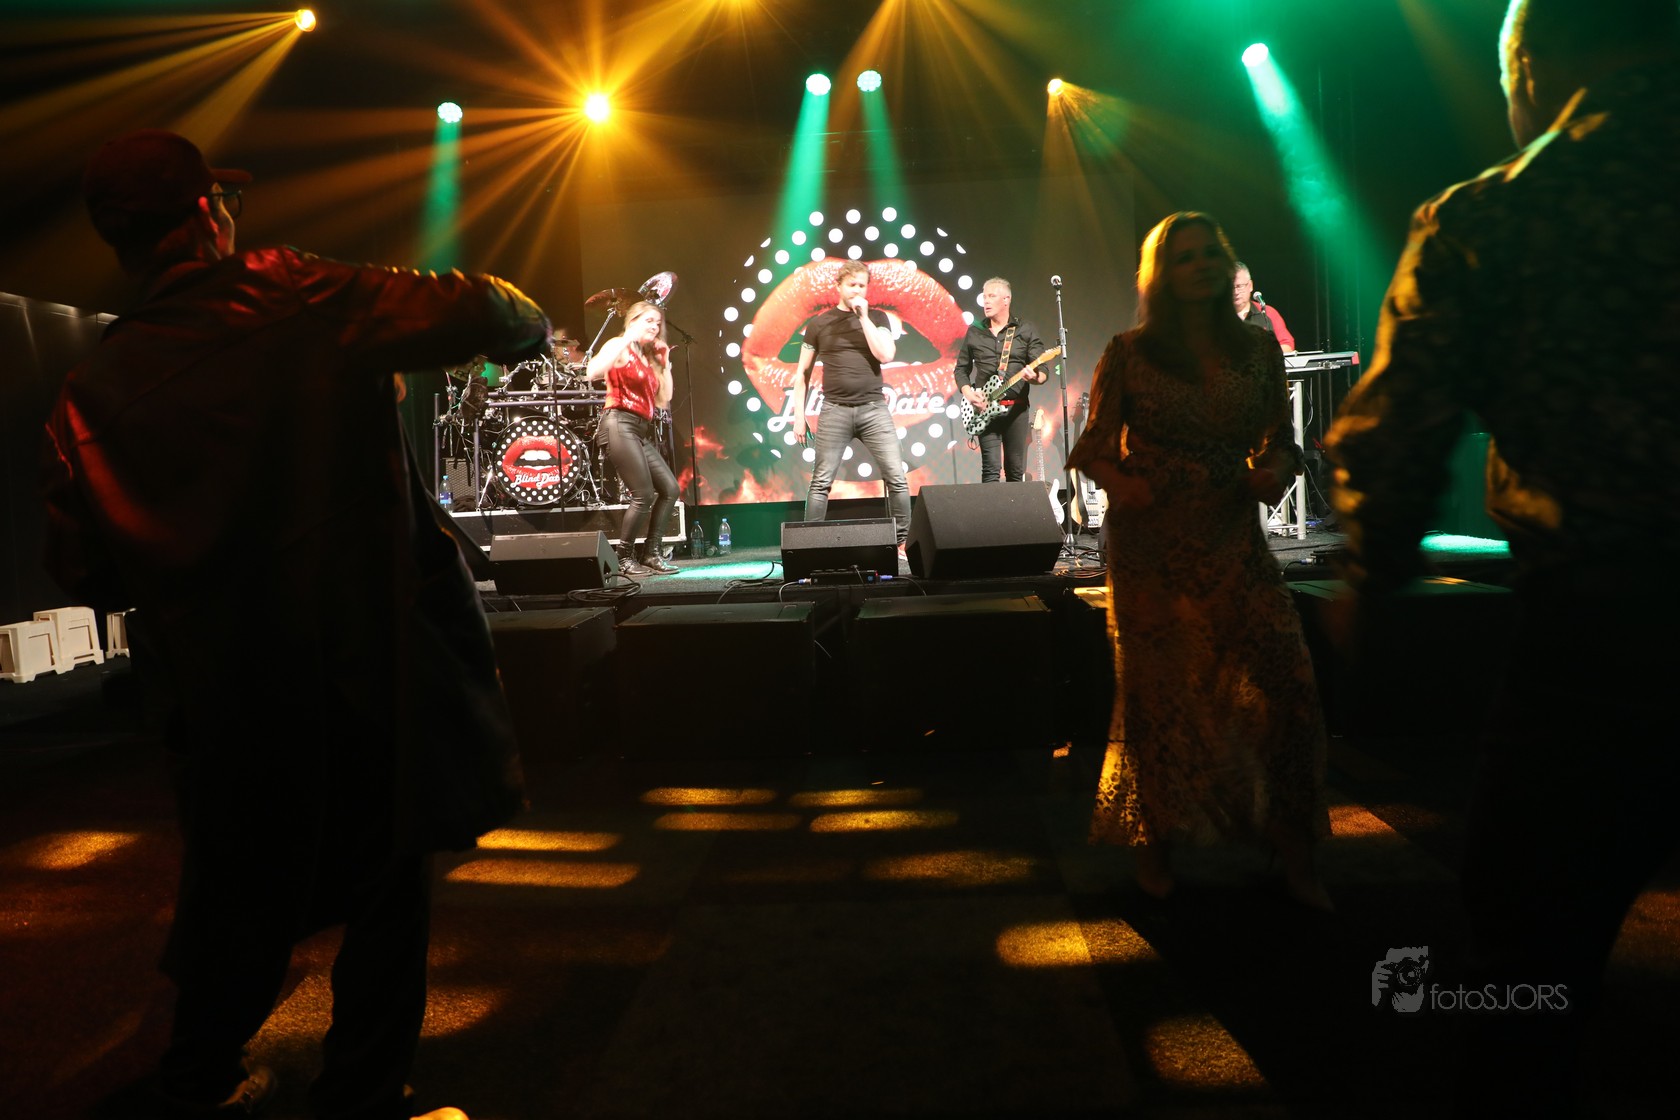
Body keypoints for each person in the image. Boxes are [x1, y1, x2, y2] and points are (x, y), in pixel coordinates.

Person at [40, 129, 551, 1120]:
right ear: (206, 214)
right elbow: (491, 306)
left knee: (237, 889)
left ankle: (197, 1082)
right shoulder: (292, 293)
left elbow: (83, 569)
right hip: (357, 660)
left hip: (219, 693)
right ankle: (362, 1097)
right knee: (387, 877)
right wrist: (526, 331)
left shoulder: (87, 393)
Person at [1324, 1, 1680, 1113]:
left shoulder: (1499, 214)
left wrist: (1370, 586)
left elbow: (1394, 436)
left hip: (1605, 640)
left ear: (1528, 67)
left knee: (1528, 956)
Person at [1067, 211, 1331, 910]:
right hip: (1152, 546)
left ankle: (1296, 854)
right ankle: (1156, 845)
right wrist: (1124, 486)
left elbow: (1282, 442)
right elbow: (1093, 448)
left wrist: (1275, 471)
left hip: (1231, 535)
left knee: (1286, 683)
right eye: (1184, 257)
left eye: (1210, 253)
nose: (1201, 265)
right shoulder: (1130, 351)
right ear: (1161, 274)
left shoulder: (1258, 348)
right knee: (1162, 697)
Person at [789, 260, 911, 552]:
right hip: (835, 410)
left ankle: (901, 544)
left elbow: (886, 355)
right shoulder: (819, 324)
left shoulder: (878, 318)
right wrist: (798, 416)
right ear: (839, 286)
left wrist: (864, 317)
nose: (857, 290)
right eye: (851, 285)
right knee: (820, 482)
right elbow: (802, 374)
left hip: (873, 409)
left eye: (862, 285)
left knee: (896, 477)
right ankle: (810, 547)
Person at [585, 300, 681, 577]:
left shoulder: (647, 357)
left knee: (670, 489)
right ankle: (624, 558)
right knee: (643, 494)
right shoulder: (619, 345)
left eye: (658, 323)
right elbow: (592, 372)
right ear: (633, 321)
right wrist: (625, 340)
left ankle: (651, 553)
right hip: (618, 422)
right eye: (649, 321)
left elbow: (664, 399)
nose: (655, 327)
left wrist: (665, 364)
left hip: (638, 429)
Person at [952, 278, 1049, 483]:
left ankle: (1014, 506)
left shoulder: (1024, 329)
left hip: (1016, 410)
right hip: (985, 410)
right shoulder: (975, 331)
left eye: (991, 296)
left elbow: (1043, 371)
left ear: (1006, 299)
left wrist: (1034, 377)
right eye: (984, 296)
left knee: (1015, 471)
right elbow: (961, 369)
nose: (985, 301)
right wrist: (969, 394)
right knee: (990, 470)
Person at [1232, 262, 1295, 353]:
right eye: (1230, 287)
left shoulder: (1267, 312)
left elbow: (1287, 344)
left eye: (1239, 286)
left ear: (1250, 286)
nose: (1235, 292)